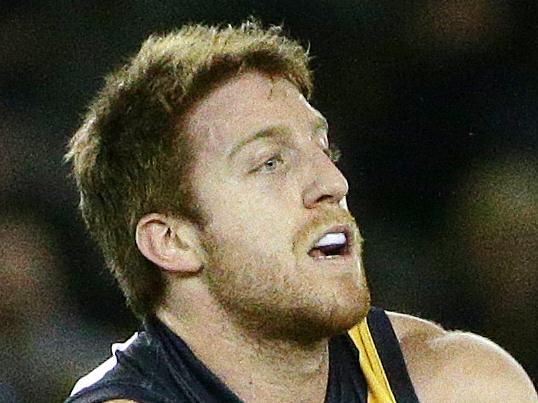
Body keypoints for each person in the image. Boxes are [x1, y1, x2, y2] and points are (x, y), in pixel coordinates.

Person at [64, 20, 537, 403]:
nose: (333, 183)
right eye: (269, 162)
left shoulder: (458, 385)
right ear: (174, 241)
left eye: (323, 148)